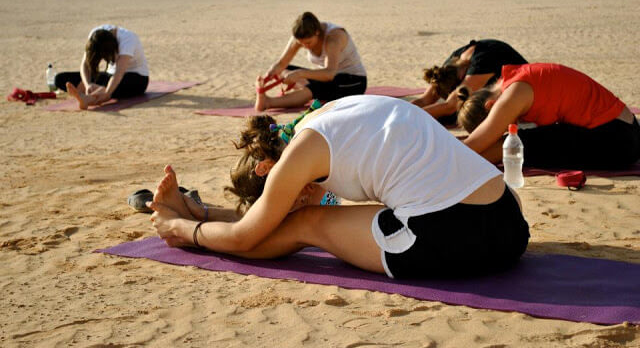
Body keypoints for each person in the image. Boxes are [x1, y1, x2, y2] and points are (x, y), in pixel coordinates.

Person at [147, 95, 530, 279]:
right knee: (307, 216)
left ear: (267, 168)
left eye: (272, 192)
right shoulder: (333, 111)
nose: (284, 197)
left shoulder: (300, 156)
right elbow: (271, 216)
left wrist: (180, 229)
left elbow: (246, 238)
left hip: (455, 236)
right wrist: (204, 211)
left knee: (307, 224)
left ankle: (185, 222)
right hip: (509, 224)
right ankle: (197, 211)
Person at [457, 63, 640, 169]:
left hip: (618, 140)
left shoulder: (512, 95)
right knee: (522, 141)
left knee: (515, 144)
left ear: (490, 106)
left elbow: (473, 146)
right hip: (625, 130)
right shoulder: (511, 79)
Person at [254, 12, 367, 111]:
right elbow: (281, 64)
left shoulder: (333, 38)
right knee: (285, 70)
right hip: (328, 79)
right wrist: (267, 77)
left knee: (315, 87)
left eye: (308, 43)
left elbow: (329, 73)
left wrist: (299, 74)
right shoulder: (301, 35)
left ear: (317, 32)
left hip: (354, 82)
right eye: (301, 43)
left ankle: (268, 103)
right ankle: (307, 92)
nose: (304, 46)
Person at [412, 39, 527, 121]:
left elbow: (450, 106)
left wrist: (412, 116)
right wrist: (400, 110)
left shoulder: (480, 64)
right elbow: (424, 100)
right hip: (499, 86)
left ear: (461, 80)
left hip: (524, 88)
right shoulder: (449, 66)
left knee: (458, 114)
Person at [54, 25, 149, 109]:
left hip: (135, 78)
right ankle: (92, 91)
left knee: (112, 85)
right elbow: (85, 64)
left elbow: (119, 73)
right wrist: (88, 85)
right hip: (109, 76)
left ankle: (89, 98)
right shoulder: (94, 36)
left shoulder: (128, 40)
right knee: (59, 78)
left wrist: (107, 93)